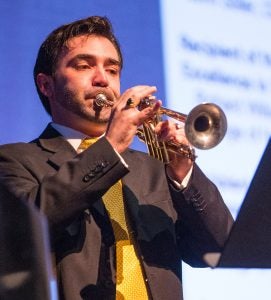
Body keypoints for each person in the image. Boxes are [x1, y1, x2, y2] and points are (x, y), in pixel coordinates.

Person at [0, 16, 233, 300]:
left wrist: (183, 175)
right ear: (46, 84)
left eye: (112, 70)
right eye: (84, 66)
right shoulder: (14, 159)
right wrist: (110, 148)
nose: (102, 79)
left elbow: (217, 251)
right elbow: (23, 233)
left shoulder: (154, 169)